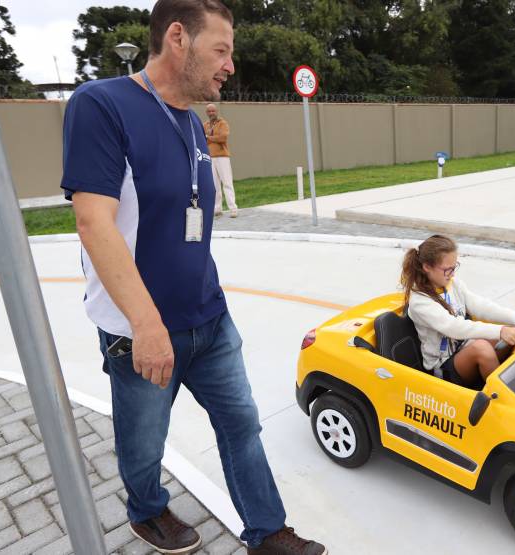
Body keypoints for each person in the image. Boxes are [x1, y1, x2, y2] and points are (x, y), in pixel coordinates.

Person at [60, 1, 325, 554]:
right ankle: (146, 510)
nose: (230, 65)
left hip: (210, 318)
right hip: (142, 329)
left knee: (241, 425)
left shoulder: (192, 123)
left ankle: (267, 532)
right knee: (144, 443)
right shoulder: (101, 103)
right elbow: (93, 222)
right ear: (177, 37)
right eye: (221, 50)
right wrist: (147, 324)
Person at [401, 235, 515, 388]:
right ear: (427, 267)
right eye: (448, 270)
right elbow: (454, 327)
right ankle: (503, 398)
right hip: (443, 367)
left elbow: (480, 305)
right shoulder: (420, 302)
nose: (452, 274)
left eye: (455, 267)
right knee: (482, 348)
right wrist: (500, 331)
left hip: (464, 347)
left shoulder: (451, 284)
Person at [203, 103, 237, 217]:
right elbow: (202, 139)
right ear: (206, 113)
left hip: (222, 156)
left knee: (227, 183)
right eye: (209, 111)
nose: (211, 113)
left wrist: (209, 138)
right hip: (210, 157)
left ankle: (233, 209)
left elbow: (223, 138)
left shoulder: (223, 123)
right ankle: (217, 208)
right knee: (215, 185)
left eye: (213, 111)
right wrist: (211, 139)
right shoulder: (205, 125)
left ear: (216, 111)